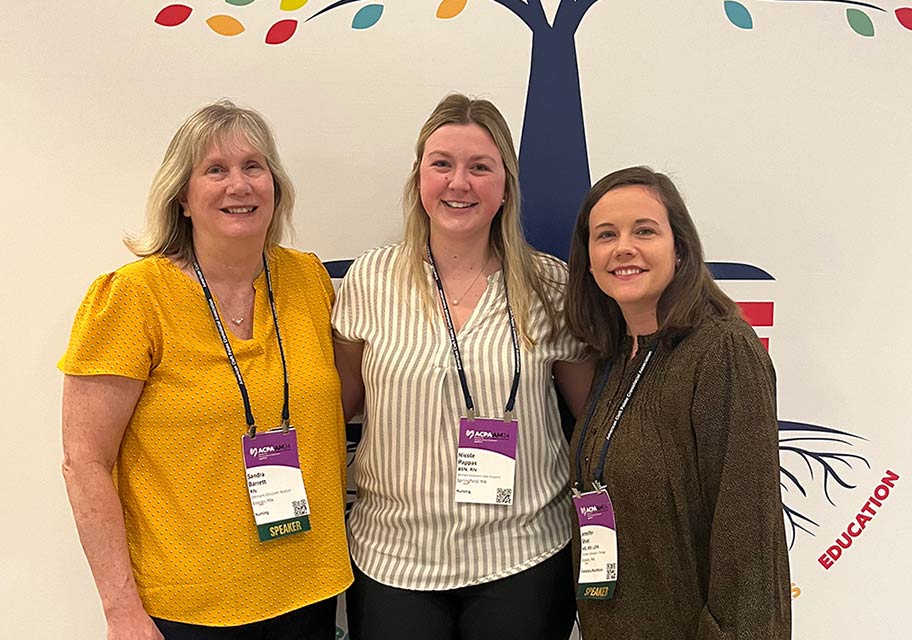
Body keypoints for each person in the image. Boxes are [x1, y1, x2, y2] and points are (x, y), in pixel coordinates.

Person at [59, 100, 352, 640]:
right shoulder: (133, 298)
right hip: (188, 607)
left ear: (276, 187)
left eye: (253, 167)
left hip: (310, 587)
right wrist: (120, 610)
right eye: (215, 170)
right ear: (183, 198)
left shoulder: (309, 280)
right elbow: (85, 463)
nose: (237, 185)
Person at [331, 94, 594, 640]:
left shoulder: (551, 286)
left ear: (505, 185)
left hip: (523, 555)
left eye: (480, 167)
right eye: (442, 164)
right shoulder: (370, 280)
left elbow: (589, 416)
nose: (459, 183)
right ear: (419, 177)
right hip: (393, 559)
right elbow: (338, 406)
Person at [564, 166, 791, 639]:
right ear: (589, 260)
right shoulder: (614, 355)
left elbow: (747, 533)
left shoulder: (721, 350)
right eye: (606, 235)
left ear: (680, 249)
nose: (623, 247)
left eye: (644, 230)